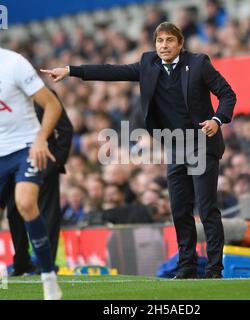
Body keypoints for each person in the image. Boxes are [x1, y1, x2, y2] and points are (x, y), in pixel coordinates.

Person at [41, 22, 236, 279]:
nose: (163, 46)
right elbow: (112, 71)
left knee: (206, 207)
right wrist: (70, 70)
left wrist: (217, 120)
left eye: (169, 40)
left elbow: (227, 94)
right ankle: (187, 266)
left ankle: (214, 270)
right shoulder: (149, 64)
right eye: (159, 41)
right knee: (179, 209)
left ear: (180, 43)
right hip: (175, 146)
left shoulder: (198, 64)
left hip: (202, 143)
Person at [0, 47, 62, 299]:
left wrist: (40, 140)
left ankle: (48, 277)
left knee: (25, 203)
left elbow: (52, 105)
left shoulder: (14, 63)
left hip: (24, 146)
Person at [6, 95, 73, 276]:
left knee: (47, 211)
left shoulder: (43, 96)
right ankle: (21, 263)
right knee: (14, 212)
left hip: (43, 162)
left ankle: (46, 265)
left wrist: (56, 161)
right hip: (10, 163)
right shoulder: (6, 94)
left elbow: (65, 129)